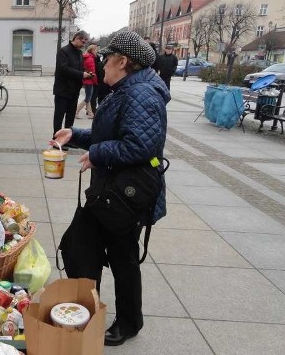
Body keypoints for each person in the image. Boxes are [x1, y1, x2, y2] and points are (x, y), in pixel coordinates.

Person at [51, 31, 168, 347]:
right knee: (82, 248)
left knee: (121, 257)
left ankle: (129, 322)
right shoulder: (128, 90)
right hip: (110, 191)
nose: (101, 63)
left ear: (123, 61)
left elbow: (139, 145)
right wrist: (73, 135)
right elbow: (109, 134)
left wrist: (97, 153)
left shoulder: (142, 94)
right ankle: (86, 313)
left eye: (106, 57)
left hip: (124, 196)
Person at [52, 30, 90, 135]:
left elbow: (79, 68)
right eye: (83, 42)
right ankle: (57, 139)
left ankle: (68, 139)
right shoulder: (63, 51)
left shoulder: (79, 53)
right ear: (76, 38)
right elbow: (63, 69)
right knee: (59, 117)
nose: (84, 45)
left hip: (74, 91)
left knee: (70, 117)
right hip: (63, 90)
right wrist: (81, 74)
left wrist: (85, 73)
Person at [76, 44, 98, 119]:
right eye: (95, 50)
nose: (96, 52)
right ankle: (76, 111)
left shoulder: (86, 57)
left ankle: (90, 114)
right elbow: (92, 72)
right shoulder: (90, 59)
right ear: (92, 50)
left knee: (88, 97)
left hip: (86, 80)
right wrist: (96, 81)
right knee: (88, 98)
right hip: (89, 81)